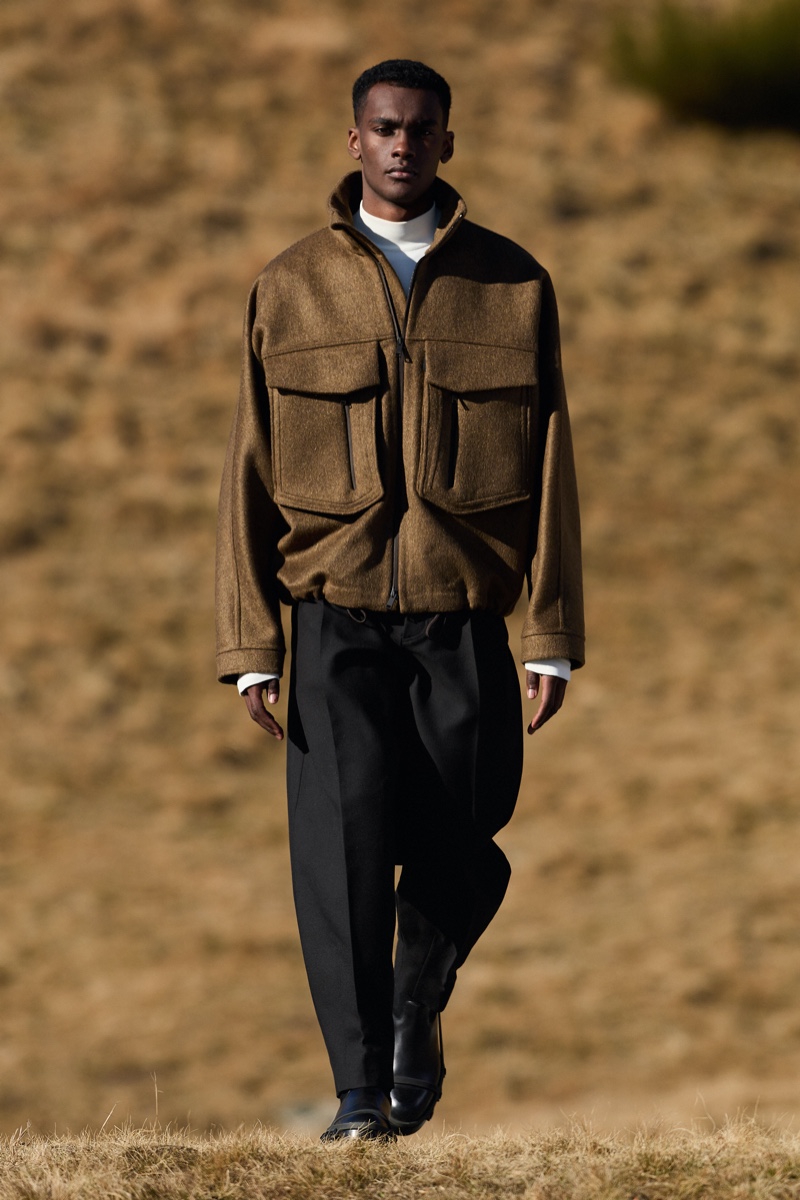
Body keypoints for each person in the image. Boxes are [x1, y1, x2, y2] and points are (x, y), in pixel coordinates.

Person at [216, 58, 584, 1142]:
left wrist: (550, 633)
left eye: (422, 129)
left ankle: (417, 1000)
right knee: (340, 859)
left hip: (462, 617)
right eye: (384, 128)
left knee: (466, 833)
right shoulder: (289, 286)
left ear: (447, 143)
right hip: (330, 620)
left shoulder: (513, 286)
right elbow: (246, 467)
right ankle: (358, 1096)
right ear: (354, 140)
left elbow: (553, 460)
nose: (402, 145)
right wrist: (251, 643)